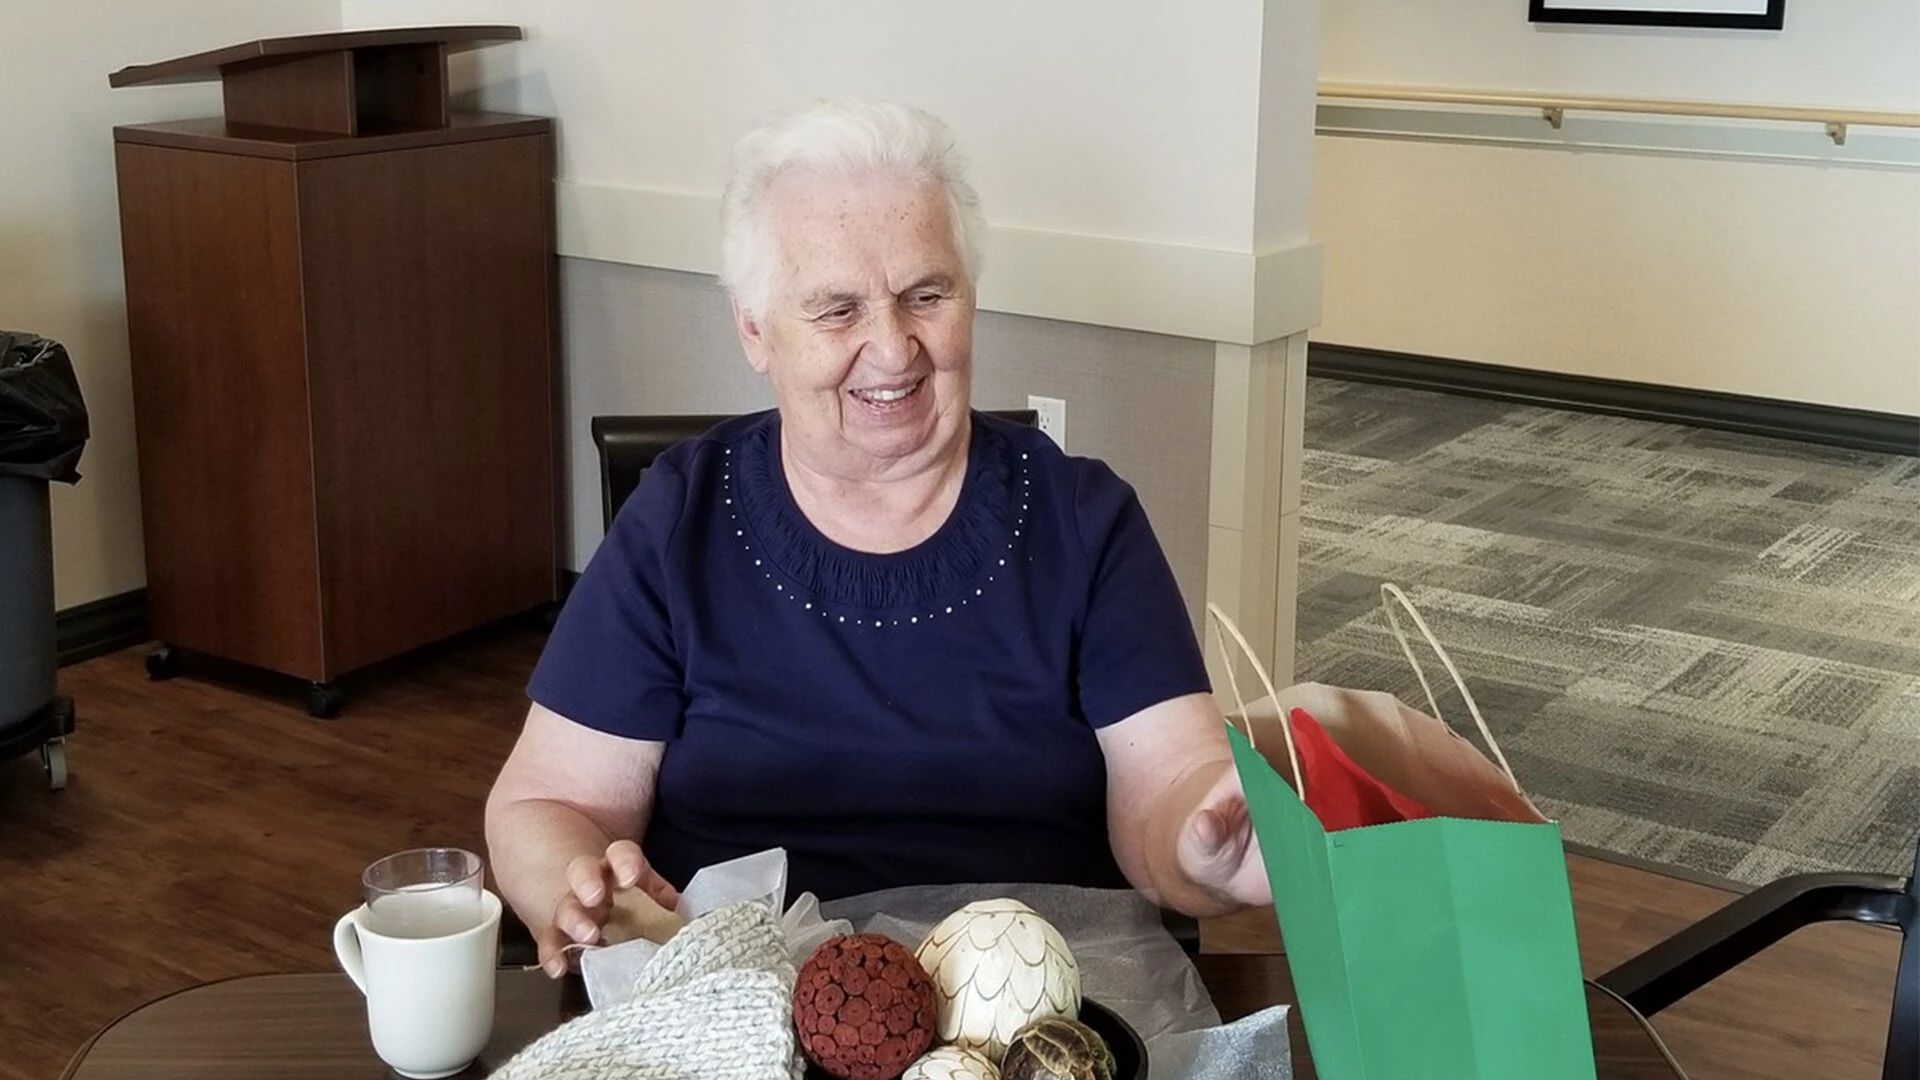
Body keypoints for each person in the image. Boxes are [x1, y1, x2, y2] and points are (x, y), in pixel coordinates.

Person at [485, 98, 1270, 978]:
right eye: (836, 310)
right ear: (754, 328)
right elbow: (545, 801)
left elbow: (1169, 787)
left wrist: (1204, 853)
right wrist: (576, 881)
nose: (893, 349)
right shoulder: (681, 519)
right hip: (741, 1011)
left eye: (926, 296)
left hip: (1031, 1022)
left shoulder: (1084, 520)